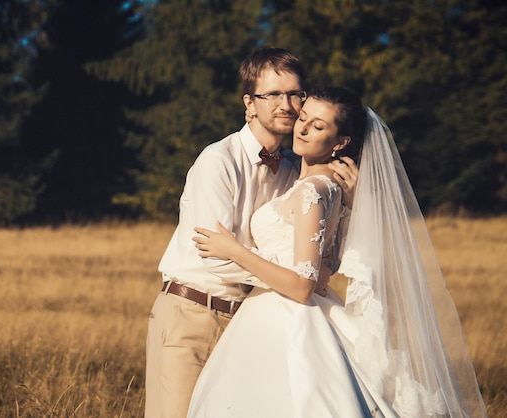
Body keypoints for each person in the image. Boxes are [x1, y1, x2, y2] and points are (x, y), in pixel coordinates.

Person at [188, 87, 488, 417]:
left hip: (288, 316)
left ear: (340, 142)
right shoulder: (326, 186)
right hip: (280, 309)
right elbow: (324, 269)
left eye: (318, 126)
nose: (301, 128)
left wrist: (234, 250)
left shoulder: (313, 191)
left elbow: (303, 286)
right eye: (303, 118)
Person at [144, 47, 357, 418]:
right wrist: (294, 280)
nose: (287, 105)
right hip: (195, 313)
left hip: (255, 323)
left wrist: (348, 203)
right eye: (272, 94)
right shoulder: (218, 162)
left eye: (295, 94)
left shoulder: (297, 171)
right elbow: (216, 260)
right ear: (249, 104)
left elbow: (317, 256)